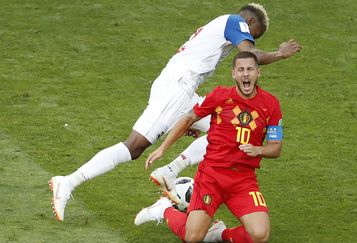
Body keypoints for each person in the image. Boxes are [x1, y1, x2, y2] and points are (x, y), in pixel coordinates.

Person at [49, 3, 300, 222]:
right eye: (253, 35)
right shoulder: (235, 22)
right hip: (178, 86)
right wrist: (279, 54)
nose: (251, 41)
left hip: (181, 86)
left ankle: (170, 172)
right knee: (135, 146)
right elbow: (250, 55)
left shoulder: (218, 26)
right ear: (249, 22)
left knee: (223, 133)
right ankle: (68, 181)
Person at [135, 51, 283, 243]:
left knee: (260, 235)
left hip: (243, 180)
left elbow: (276, 148)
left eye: (250, 69)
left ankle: (217, 234)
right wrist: (163, 148)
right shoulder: (220, 96)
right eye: (241, 70)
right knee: (192, 238)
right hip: (211, 177)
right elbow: (189, 117)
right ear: (233, 74)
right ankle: (164, 209)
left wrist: (259, 150)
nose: (245, 74)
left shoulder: (271, 104)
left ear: (258, 73)